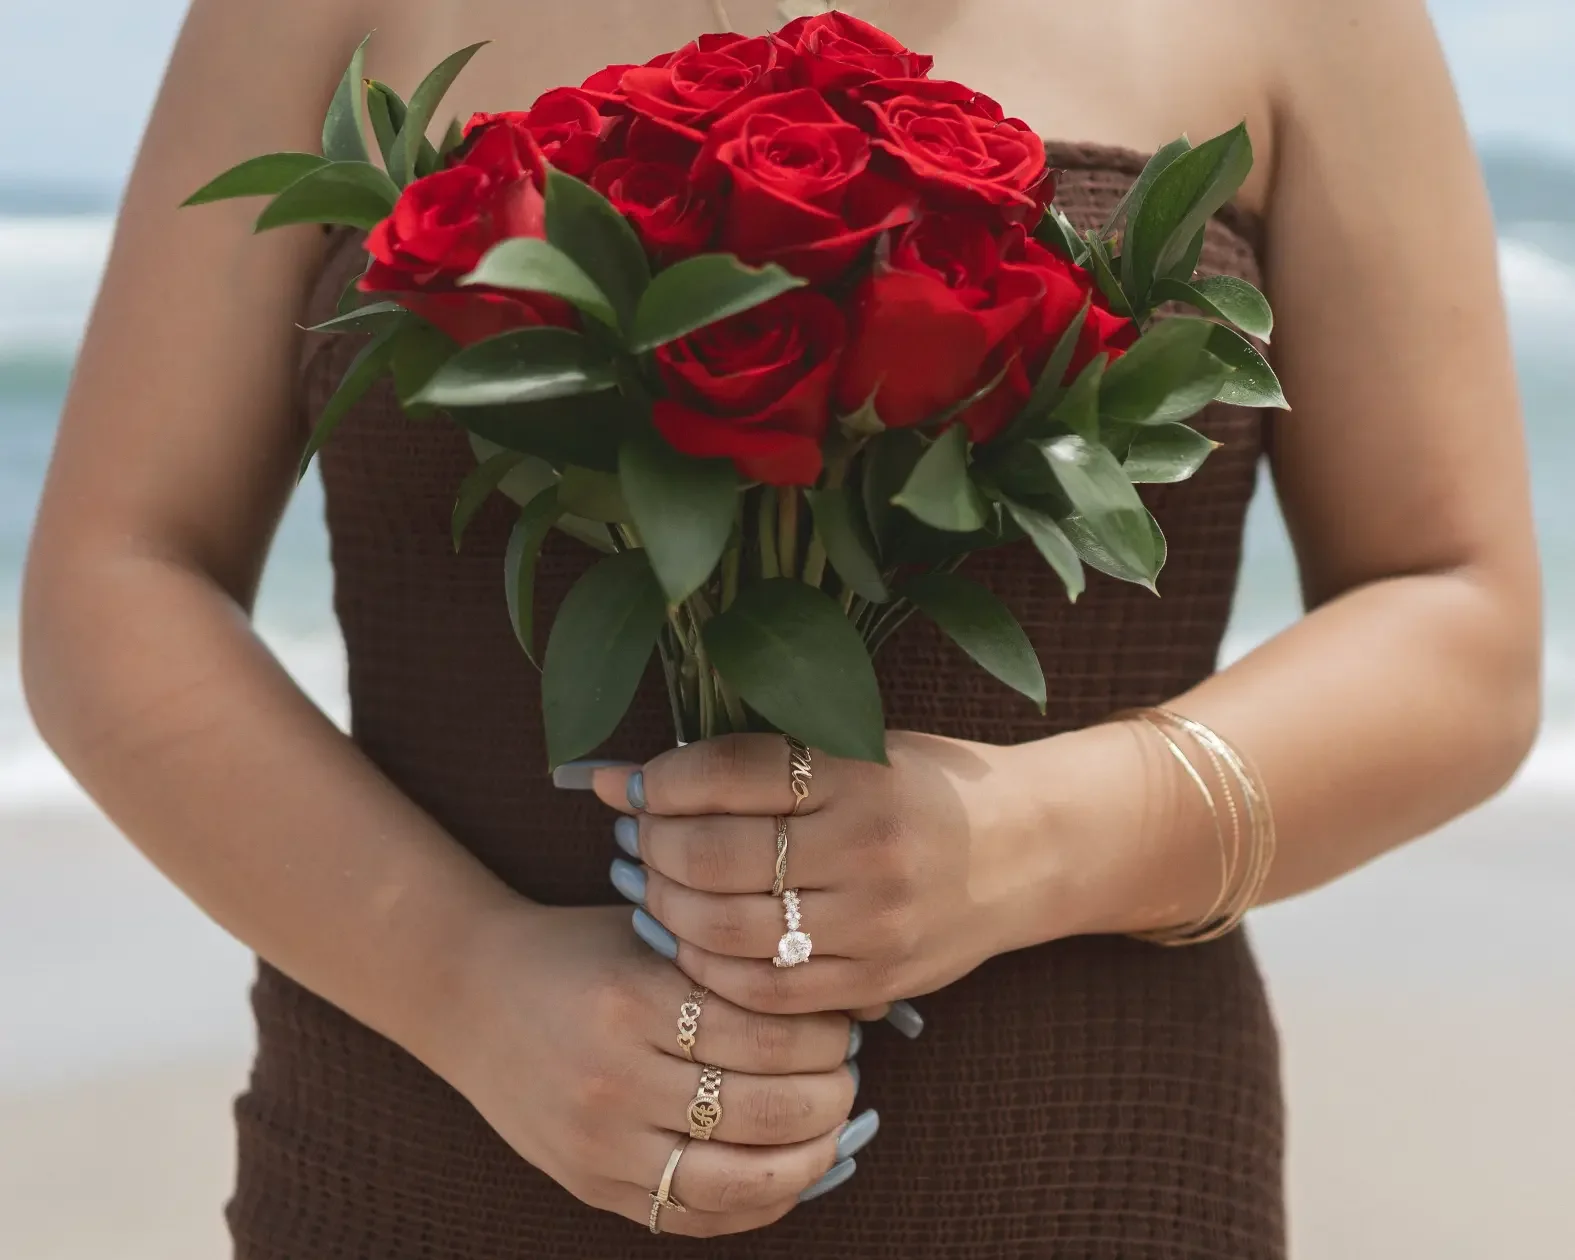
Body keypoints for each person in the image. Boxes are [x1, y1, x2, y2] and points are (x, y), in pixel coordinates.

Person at [21, 0, 1540, 1256]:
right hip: (422, 1163)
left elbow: (1457, 616)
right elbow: (120, 575)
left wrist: (1033, 837)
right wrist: (472, 987)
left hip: (1089, 1176)